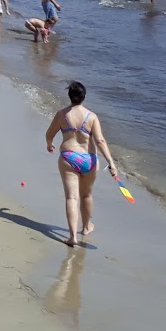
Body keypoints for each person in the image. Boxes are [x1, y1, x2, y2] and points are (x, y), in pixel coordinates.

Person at [45, 80, 121, 248]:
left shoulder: (62, 115)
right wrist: (111, 163)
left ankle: (72, 236)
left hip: (68, 158)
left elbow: (49, 134)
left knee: (71, 197)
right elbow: (100, 140)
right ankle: (86, 227)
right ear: (84, 97)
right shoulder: (92, 117)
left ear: (69, 97)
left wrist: (50, 144)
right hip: (89, 160)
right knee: (86, 195)